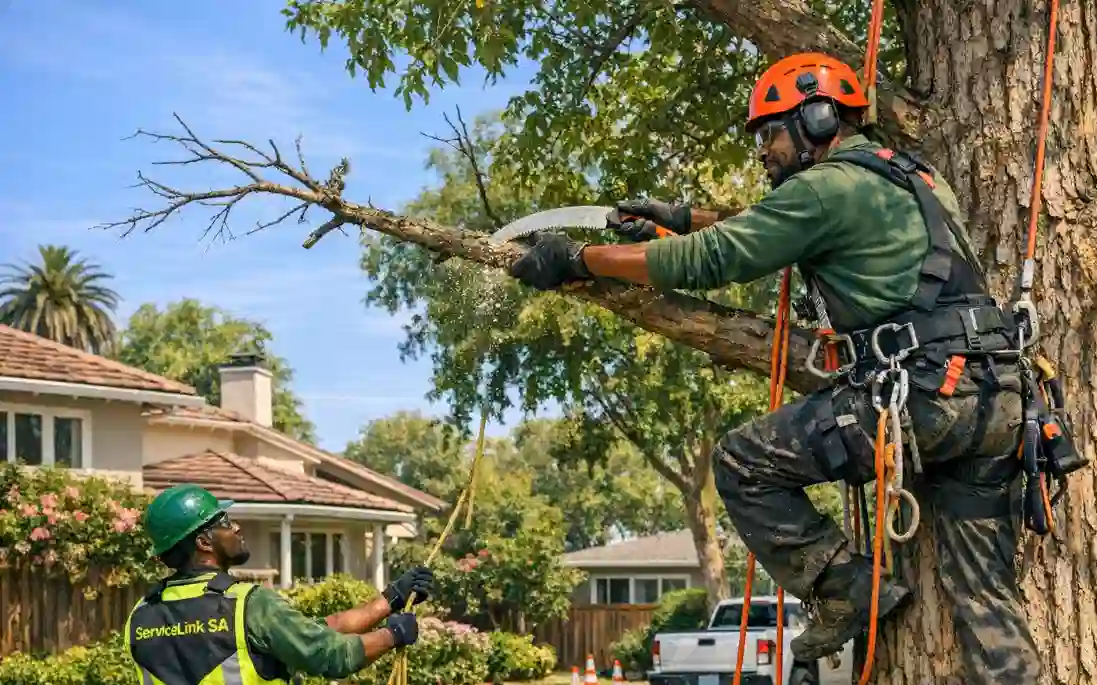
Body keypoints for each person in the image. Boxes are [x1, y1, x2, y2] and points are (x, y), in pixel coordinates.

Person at [505, 52, 1039, 683]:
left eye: (770, 133)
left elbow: (713, 258)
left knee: (742, 462)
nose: (763, 151)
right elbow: (784, 222)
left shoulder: (826, 188)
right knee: (984, 597)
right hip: (995, 402)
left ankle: (850, 589)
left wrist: (580, 259)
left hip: (923, 396)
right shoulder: (910, 176)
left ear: (817, 119)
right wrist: (678, 219)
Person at [124, 483, 435, 684]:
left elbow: (309, 632)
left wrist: (391, 598)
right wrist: (394, 635)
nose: (236, 527)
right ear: (204, 542)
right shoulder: (246, 604)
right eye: (225, 522)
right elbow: (331, 654)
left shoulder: (141, 615)